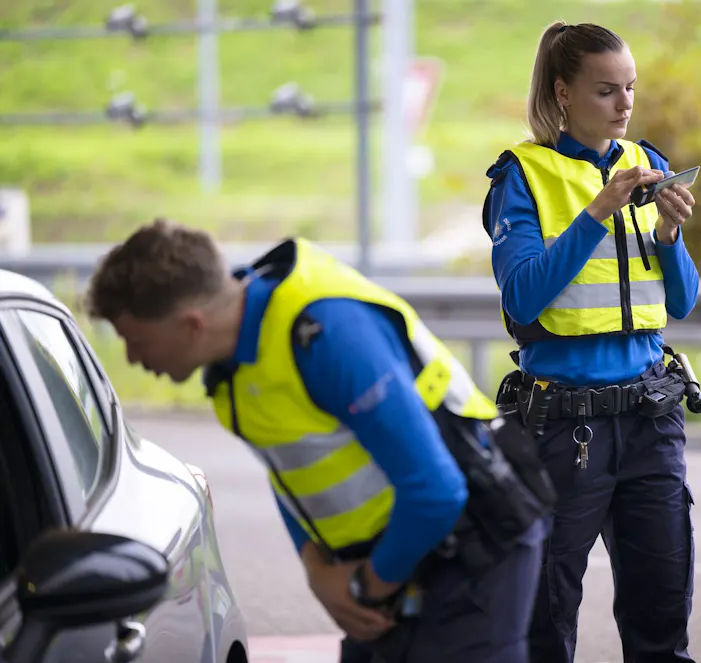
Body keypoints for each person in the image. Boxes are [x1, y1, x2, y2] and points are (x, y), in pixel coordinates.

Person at [83, 219, 554, 663]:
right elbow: (289, 465)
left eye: (136, 340)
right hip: (393, 558)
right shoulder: (232, 361)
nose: (131, 357)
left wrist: (364, 588)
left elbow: (436, 490)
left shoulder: (328, 335)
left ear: (190, 324)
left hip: (473, 544)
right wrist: (316, 569)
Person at [481, 21, 701, 663]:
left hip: (651, 422)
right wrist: (596, 213)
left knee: (662, 620)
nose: (625, 104)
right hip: (562, 431)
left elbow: (681, 302)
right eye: (606, 91)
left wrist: (669, 235)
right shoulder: (521, 177)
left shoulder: (648, 164)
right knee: (545, 628)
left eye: (630, 88)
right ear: (563, 93)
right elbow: (522, 296)